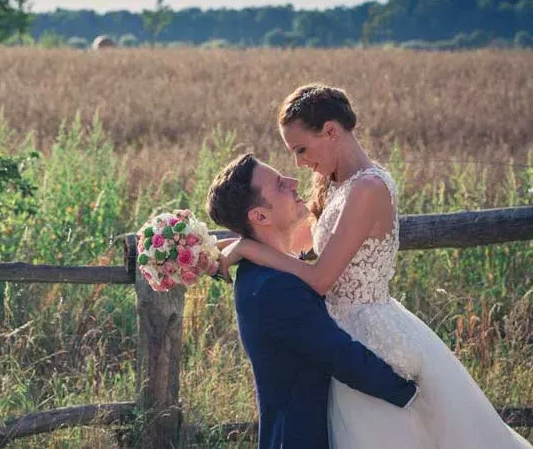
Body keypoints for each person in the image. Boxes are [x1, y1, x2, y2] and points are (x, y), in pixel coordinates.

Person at [220, 83, 532, 448]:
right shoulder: (332, 181)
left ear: (332, 131)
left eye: (301, 149)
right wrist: (221, 248)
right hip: (339, 328)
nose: (299, 163)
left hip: (370, 332)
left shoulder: (368, 188)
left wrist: (249, 248)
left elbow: (320, 279)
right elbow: (297, 244)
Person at [205, 152, 418, 449]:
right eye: (280, 185)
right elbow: (340, 355)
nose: (293, 182)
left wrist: (242, 246)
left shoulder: (269, 270)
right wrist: (411, 395)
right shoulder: (273, 287)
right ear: (260, 217)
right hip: (302, 436)